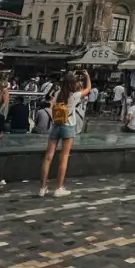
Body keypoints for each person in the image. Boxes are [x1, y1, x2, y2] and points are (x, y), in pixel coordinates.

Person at [38, 70, 91, 198]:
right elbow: (88, 88)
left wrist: (70, 74)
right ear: (73, 84)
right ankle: (59, 188)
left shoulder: (56, 94)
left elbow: (52, 105)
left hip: (56, 125)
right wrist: (87, 76)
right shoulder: (75, 96)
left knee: (48, 157)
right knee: (64, 157)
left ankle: (42, 188)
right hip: (68, 125)